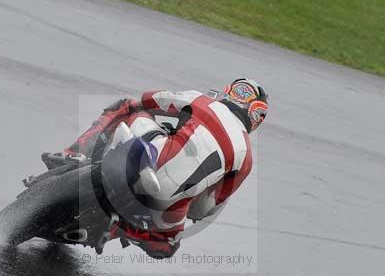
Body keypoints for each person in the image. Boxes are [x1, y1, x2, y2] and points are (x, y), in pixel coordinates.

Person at [39, 78, 268, 259]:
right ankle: (119, 228)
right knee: (166, 248)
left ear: (229, 92)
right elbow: (204, 210)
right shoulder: (246, 158)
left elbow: (150, 99)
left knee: (128, 107)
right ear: (256, 116)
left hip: (147, 160)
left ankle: (73, 153)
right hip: (167, 206)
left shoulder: (202, 100)